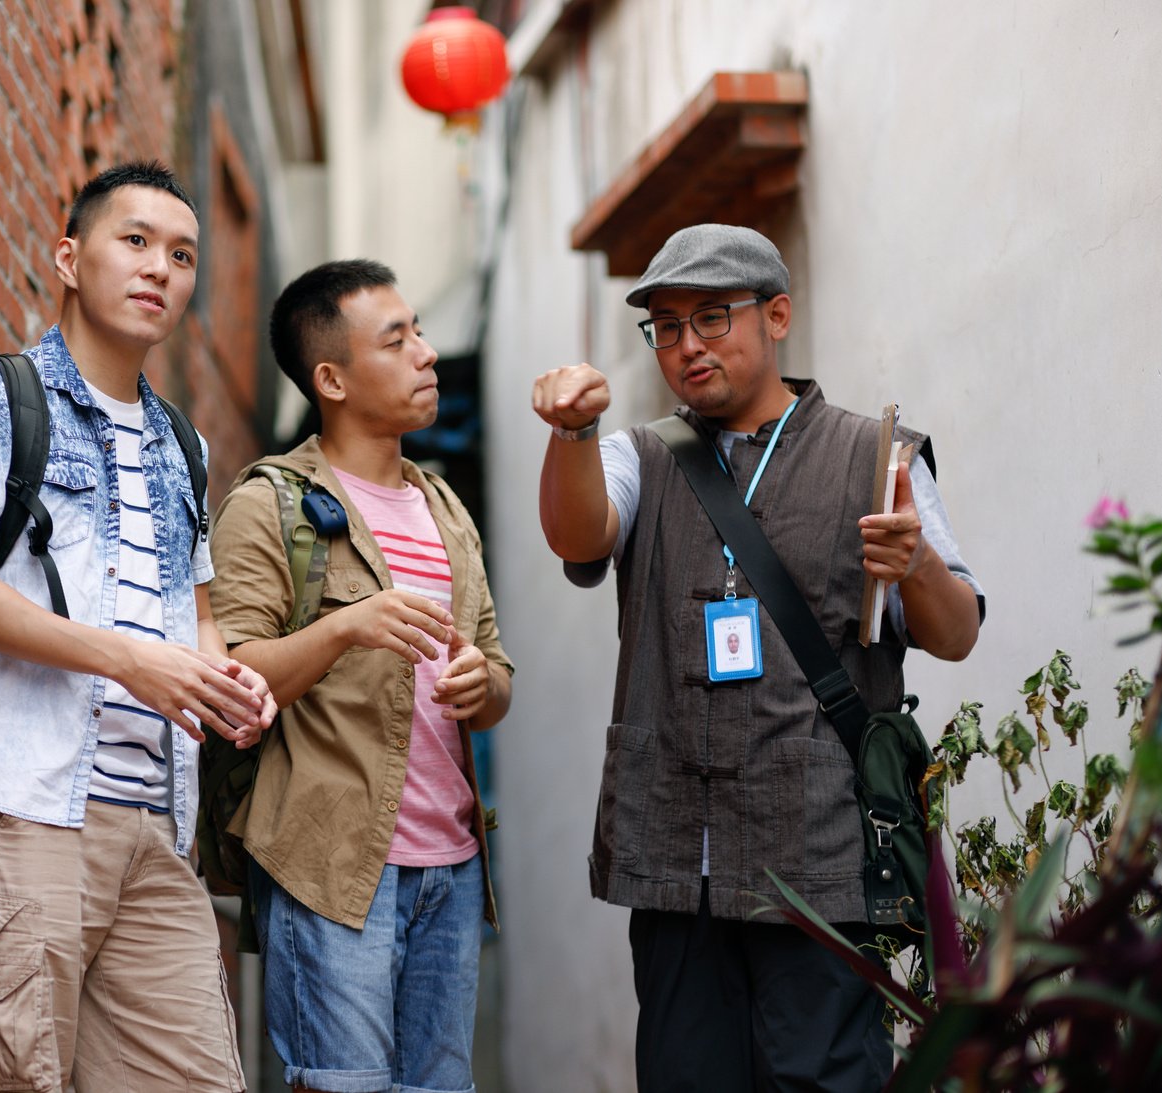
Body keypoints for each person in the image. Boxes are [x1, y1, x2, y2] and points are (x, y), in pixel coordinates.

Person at [531, 224, 984, 1092]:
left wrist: (915, 562)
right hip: (674, 864)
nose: (686, 346)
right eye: (664, 327)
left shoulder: (875, 452)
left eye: (710, 318)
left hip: (816, 860)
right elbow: (577, 531)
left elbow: (957, 632)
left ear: (775, 315)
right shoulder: (636, 453)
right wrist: (571, 434)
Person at [0, 160, 273, 1093]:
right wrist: (127, 661)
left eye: (183, 254)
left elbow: (198, 619)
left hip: (154, 827)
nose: (161, 267)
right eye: (136, 240)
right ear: (70, 258)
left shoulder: (180, 443)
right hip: (17, 807)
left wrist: (231, 678)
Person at [208, 259, 514, 1093]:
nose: (426, 354)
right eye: (398, 339)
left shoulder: (445, 507)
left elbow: (494, 673)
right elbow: (229, 675)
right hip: (329, 863)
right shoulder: (267, 503)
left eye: (419, 331)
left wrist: (480, 682)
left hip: (451, 867)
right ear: (331, 377)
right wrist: (345, 626)